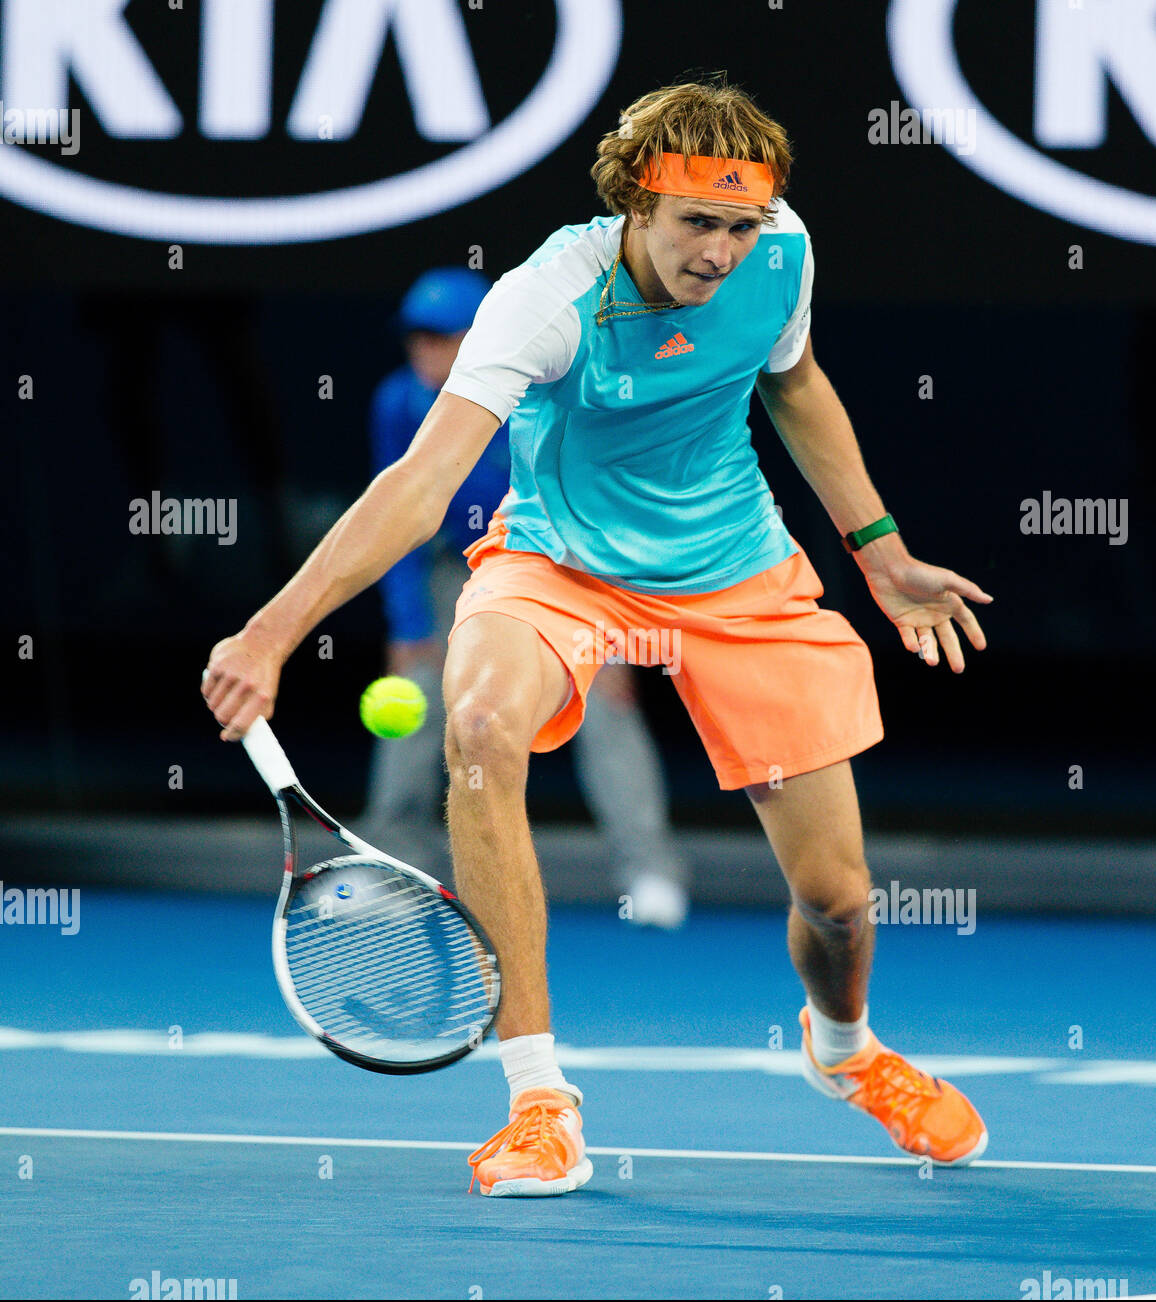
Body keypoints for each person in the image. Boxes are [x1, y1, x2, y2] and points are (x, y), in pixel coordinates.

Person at [203, 78, 994, 1199]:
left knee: (839, 898)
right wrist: (272, 632)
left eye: (739, 225)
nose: (720, 253)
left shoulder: (783, 253)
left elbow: (797, 382)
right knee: (477, 725)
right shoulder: (544, 298)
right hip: (560, 565)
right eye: (696, 225)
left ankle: (845, 1048)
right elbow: (421, 486)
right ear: (634, 202)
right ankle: (538, 1100)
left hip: (735, 570)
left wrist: (879, 548)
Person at [362, 268, 688, 928]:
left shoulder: (551, 393)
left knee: (606, 707)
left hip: (569, 564)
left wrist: (616, 629)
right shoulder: (397, 402)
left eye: (443, 338)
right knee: (419, 697)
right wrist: (409, 623)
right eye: (417, 338)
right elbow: (393, 513)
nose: (427, 353)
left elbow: (605, 508)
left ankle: (649, 870)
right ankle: (393, 867)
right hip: (459, 569)